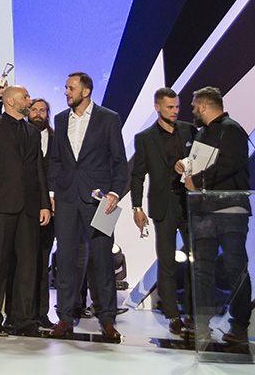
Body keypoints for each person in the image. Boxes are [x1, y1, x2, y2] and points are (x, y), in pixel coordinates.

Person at [48, 72, 128, 340]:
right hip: (67, 198)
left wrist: (115, 192)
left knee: (104, 259)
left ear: (86, 91)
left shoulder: (109, 118)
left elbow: (119, 160)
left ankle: (107, 319)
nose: (66, 92)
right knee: (65, 259)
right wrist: (52, 192)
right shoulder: (61, 119)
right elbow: (56, 160)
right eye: (66, 87)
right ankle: (65, 318)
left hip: (101, 200)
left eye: (71, 88)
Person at [0, 86, 51, 337]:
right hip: (1, 203)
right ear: (9, 101)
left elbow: (38, 169)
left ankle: (22, 319)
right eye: (25, 97)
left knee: (27, 263)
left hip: (29, 205)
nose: (29, 101)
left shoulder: (33, 131)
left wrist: (44, 204)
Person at [179, 86, 250, 344]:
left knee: (235, 268)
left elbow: (228, 164)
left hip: (230, 210)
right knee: (201, 270)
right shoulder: (202, 133)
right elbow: (200, 163)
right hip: (204, 211)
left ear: (204, 106)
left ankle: (239, 325)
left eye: (194, 106)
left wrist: (197, 180)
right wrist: (185, 166)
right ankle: (201, 324)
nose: (192, 111)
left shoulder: (232, 129)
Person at [128, 88, 196, 337]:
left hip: (189, 202)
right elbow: (137, 175)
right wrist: (137, 207)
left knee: (196, 260)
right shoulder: (145, 138)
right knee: (166, 261)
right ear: (157, 107)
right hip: (163, 203)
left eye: (177, 106)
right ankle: (173, 316)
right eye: (170, 107)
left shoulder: (190, 131)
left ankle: (192, 314)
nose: (175, 111)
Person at [27, 98, 57, 330]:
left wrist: (52, 196)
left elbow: (60, 169)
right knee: (24, 262)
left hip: (52, 208)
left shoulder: (58, 140)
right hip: (25, 206)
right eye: (34, 110)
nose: (38, 114)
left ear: (48, 114)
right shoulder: (22, 136)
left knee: (43, 261)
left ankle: (41, 312)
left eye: (42, 110)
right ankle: (22, 312)